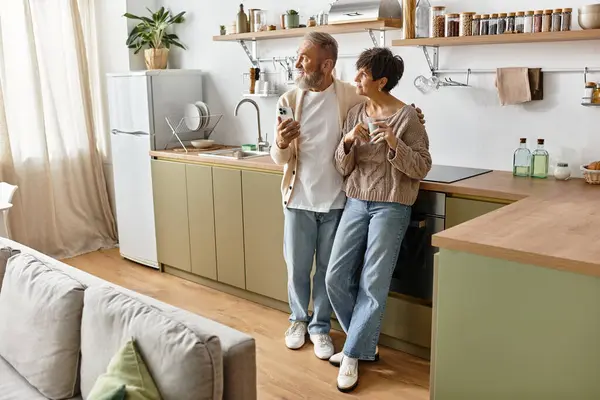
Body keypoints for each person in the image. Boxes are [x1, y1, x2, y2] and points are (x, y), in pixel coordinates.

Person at [270, 32, 425, 360]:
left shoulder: (349, 98)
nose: (297, 64)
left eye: (304, 58)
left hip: (339, 199)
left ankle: (321, 327)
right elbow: (280, 157)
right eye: (298, 57)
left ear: (326, 65)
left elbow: (384, 108)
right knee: (298, 268)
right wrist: (281, 144)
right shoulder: (287, 100)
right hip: (298, 196)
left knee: (330, 271)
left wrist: (412, 116)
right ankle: (299, 320)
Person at [325, 47, 432, 392]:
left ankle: (353, 354)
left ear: (381, 81)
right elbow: (342, 167)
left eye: (362, 75)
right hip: (356, 201)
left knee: (373, 283)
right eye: (357, 72)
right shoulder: (355, 112)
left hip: (391, 206)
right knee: (334, 277)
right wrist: (347, 142)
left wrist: (392, 143)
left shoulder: (407, 118)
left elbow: (421, 165)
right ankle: (363, 343)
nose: (356, 79)